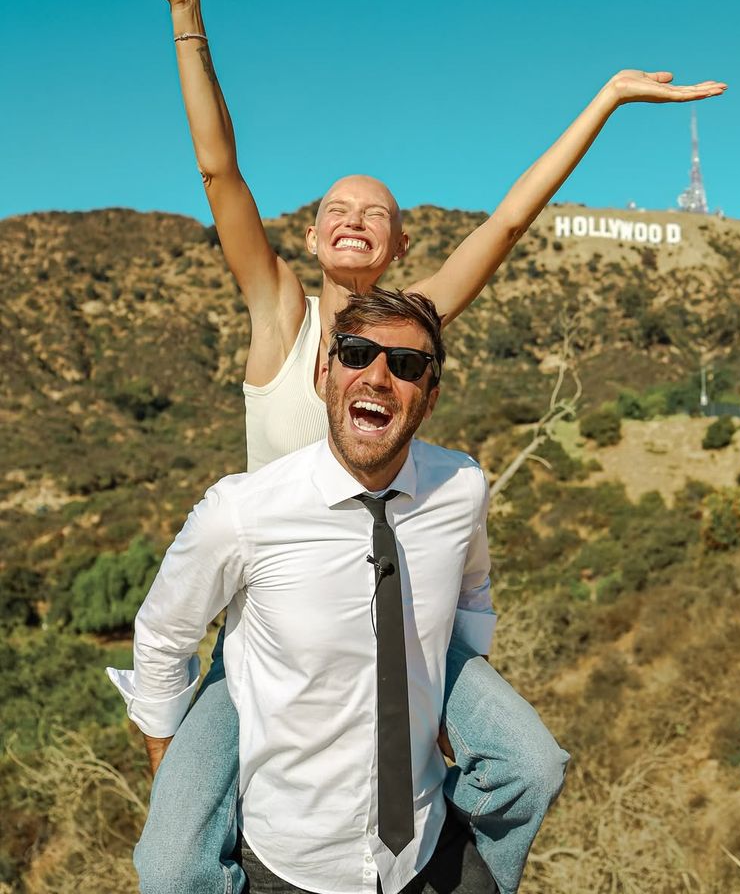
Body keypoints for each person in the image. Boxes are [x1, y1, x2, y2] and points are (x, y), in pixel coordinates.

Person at [86, 0, 726, 894]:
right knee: (171, 860)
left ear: (396, 244)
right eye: (333, 209)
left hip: (400, 612)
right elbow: (220, 169)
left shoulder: (415, 324)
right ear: (310, 240)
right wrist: (186, 10)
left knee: (528, 760)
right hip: (270, 624)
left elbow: (512, 217)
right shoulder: (280, 318)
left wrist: (603, 99)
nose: (350, 219)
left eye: (371, 212)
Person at [113, 288, 506, 894]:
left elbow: (472, 587)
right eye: (355, 354)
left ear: (429, 398)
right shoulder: (242, 511)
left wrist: (458, 683)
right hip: (289, 861)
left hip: (426, 846)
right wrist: (170, 768)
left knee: (535, 768)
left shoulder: (461, 488)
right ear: (325, 374)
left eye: (406, 367)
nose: (377, 377)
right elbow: (165, 633)